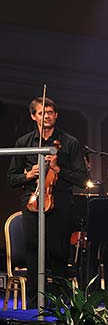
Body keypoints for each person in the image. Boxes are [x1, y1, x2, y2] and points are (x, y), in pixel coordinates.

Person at [7, 96, 88, 307]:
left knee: (59, 254)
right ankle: (35, 304)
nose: (47, 116)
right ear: (34, 116)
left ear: (56, 115)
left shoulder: (70, 143)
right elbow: (11, 178)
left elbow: (81, 178)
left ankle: (61, 304)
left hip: (60, 203)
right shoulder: (23, 143)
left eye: (50, 112)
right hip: (33, 203)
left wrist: (59, 169)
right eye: (42, 113)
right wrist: (28, 175)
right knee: (34, 254)